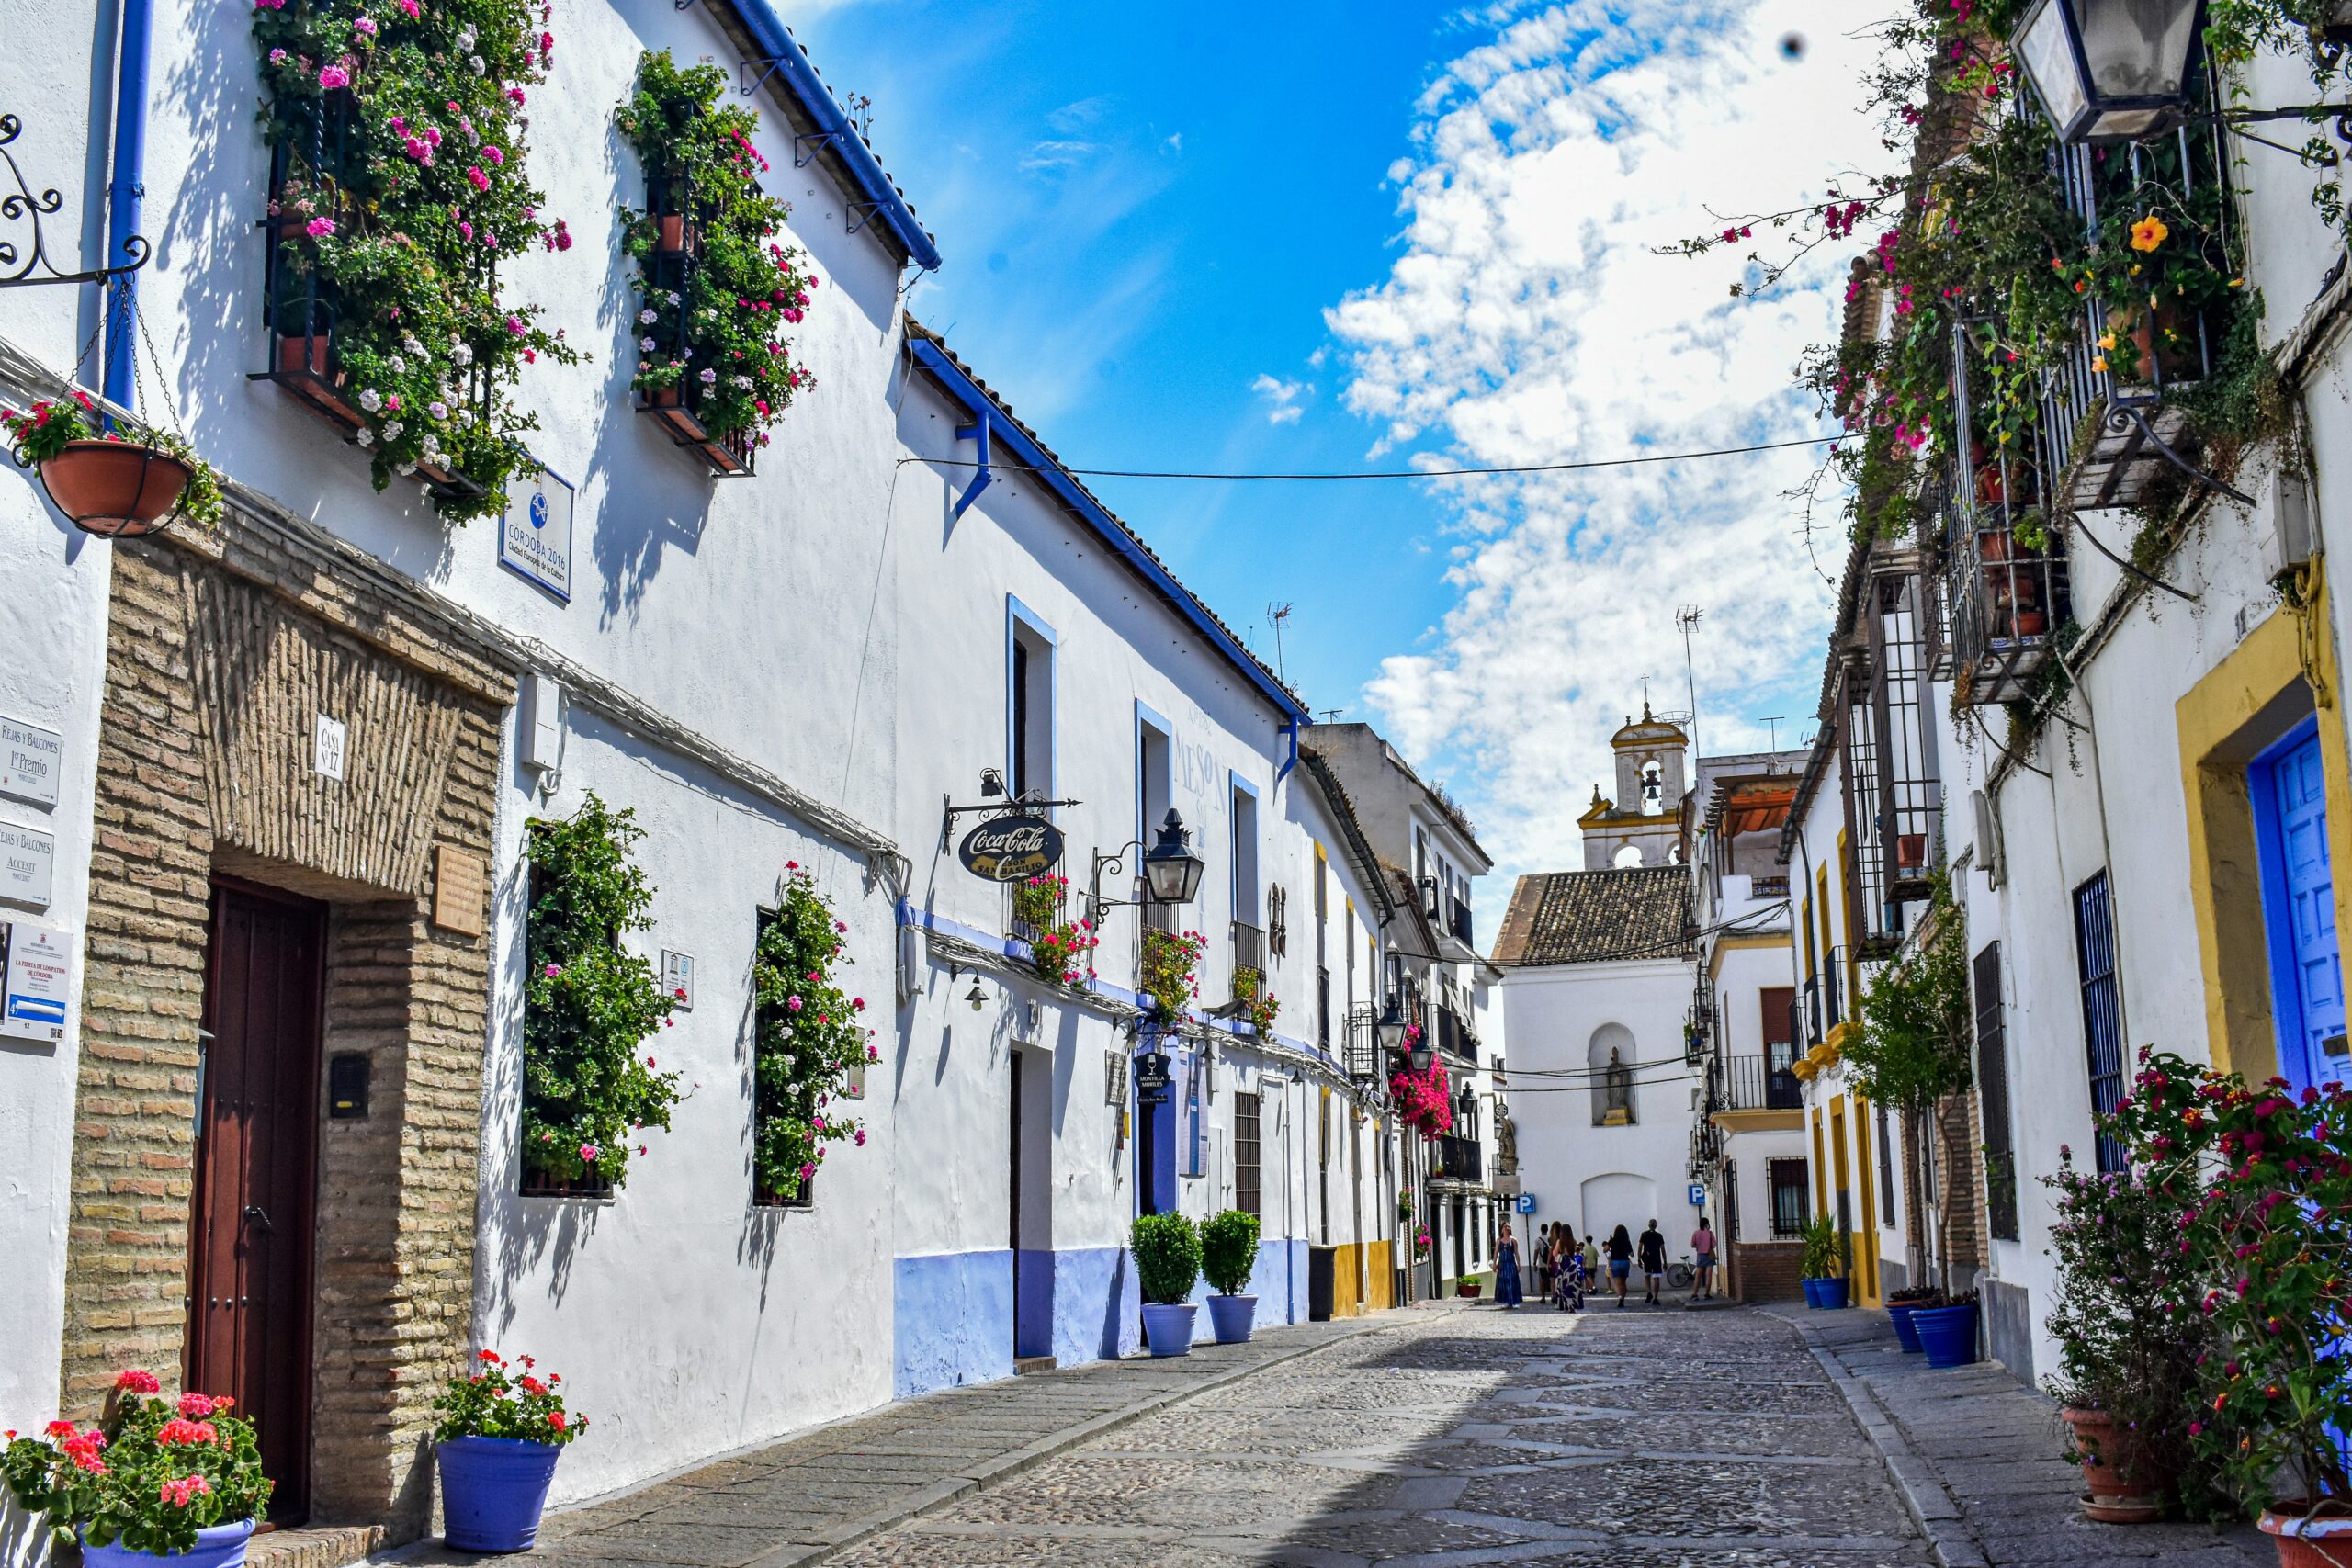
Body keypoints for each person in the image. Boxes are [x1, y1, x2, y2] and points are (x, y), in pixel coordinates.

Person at [1637, 1219, 1667, 1305]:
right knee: (1656, 1278)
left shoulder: (1644, 1234)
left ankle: (1649, 1292)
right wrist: (1665, 1261)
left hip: (1647, 1258)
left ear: (1648, 1225)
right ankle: (1656, 1297)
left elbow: (1640, 1247)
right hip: (1656, 1259)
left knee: (1647, 1275)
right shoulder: (1659, 1236)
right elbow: (1662, 1249)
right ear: (1656, 1226)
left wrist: (1639, 1259)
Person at [1494, 1223, 1524, 1308]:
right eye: (1505, 1227)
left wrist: (1519, 1264)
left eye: (1508, 1226)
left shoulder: (1513, 1240)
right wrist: (1494, 1264)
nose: (1507, 1228)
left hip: (1511, 1264)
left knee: (1512, 1282)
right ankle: (1506, 1301)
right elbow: (1496, 1253)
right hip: (1502, 1264)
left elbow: (1516, 1253)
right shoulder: (1499, 1240)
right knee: (1504, 1283)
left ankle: (1513, 1301)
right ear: (1502, 1229)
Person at [1691, 1215, 1719, 1301]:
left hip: (1700, 1256)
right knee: (1709, 1276)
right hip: (1709, 1256)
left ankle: (1695, 1294)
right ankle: (1706, 1294)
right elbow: (1714, 1245)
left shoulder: (1696, 1233)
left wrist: (1698, 1246)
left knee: (1698, 1276)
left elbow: (1692, 1244)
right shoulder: (1710, 1233)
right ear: (1707, 1224)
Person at [1605, 1224, 1634, 1307]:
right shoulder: (1627, 1241)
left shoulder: (1613, 1240)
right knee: (1623, 1282)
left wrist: (1609, 1243)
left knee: (1617, 1283)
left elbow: (1605, 1250)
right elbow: (1631, 1253)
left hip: (1615, 1262)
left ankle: (1620, 1297)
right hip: (1625, 1262)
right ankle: (1623, 1299)